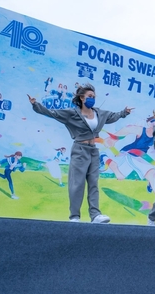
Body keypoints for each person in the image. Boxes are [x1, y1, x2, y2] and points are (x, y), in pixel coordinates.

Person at [28, 83, 133, 223]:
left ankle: (95, 215)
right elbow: (52, 113)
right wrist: (35, 105)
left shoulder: (99, 113)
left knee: (93, 182)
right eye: (90, 96)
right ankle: (75, 216)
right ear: (82, 98)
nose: (92, 99)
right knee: (77, 184)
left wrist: (124, 112)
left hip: (93, 150)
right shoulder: (72, 113)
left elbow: (114, 116)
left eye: (94, 96)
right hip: (79, 150)